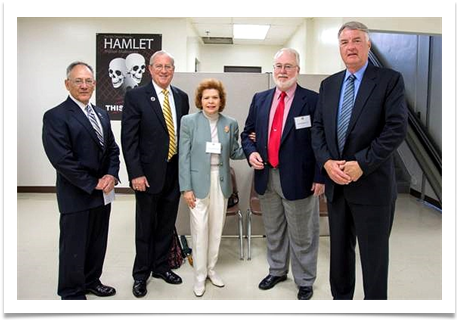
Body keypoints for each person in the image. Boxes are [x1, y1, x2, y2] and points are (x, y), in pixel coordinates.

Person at [311, 21, 408, 300]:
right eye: (344, 42)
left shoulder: (389, 80)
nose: (350, 47)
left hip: (372, 186)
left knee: (374, 259)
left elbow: (395, 129)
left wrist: (361, 164)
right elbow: (318, 129)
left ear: (368, 44)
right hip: (337, 186)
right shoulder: (328, 85)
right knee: (339, 257)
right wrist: (327, 162)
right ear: (339, 48)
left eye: (356, 41)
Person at [241, 48, 325, 300]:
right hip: (267, 177)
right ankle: (277, 271)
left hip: (300, 179)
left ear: (297, 70)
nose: (283, 71)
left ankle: (305, 280)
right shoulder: (260, 98)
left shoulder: (312, 100)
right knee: (274, 230)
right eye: (278, 66)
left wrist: (320, 176)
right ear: (273, 68)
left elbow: (322, 142)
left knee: (303, 235)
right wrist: (251, 152)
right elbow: (248, 133)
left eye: (289, 66)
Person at [42, 62, 120, 300]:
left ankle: (91, 280)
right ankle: (71, 291)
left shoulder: (101, 114)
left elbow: (112, 150)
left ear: (95, 84)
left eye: (88, 81)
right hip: (76, 194)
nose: (84, 86)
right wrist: (92, 182)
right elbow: (61, 159)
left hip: (102, 193)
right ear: (68, 84)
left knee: (97, 242)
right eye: (78, 81)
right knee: (73, 246)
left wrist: (110, 175)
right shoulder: (56, 116)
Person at [121, 50, 190, 298]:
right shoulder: (136, 96)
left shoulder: (182, 98)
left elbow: (184, 136)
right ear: (150, 69)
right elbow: (129, 140)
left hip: (174, 172)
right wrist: (135, 173)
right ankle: (141, 274)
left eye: (168, 67)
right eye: (159, 66)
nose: (163, 71)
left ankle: (161, 267)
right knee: (145, 226)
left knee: (165, 224)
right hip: (147, 175)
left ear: (173, 70)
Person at [179, 79, 245, 297]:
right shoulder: (189, 122)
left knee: (217, 229)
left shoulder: (230, 123)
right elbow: (184, 157)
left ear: (221, 100)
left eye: (214, 97)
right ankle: (199, 276)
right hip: (197, 184)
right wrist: (186, 188)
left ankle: (211, 269)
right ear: (200, 100)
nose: (210, 101)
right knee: (199, 231)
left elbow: (234, 152)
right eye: (206, 97)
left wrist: (255, 144)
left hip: (221, 181)